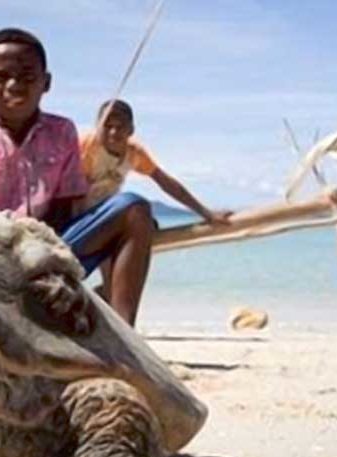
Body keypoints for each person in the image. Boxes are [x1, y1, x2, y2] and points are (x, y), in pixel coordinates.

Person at [0, 27, 156, 326]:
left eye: (27, 77)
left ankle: (125, 332)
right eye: (1, 77)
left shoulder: (62, 132)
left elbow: (66, 208)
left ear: (46, 83)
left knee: (135, 209)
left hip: (48, 250)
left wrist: (40, 254)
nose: (15, 86)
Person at [79, 99, 232, 308]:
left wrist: (206, 213)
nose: (113, 132)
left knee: (144, 227)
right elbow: (66, 188)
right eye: (107, 126)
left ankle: (95, 300)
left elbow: (165, 182)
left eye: (120, 126)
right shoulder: (86, 146)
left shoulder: (134, 153)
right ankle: (97, 301)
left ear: (131, 130)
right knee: (112, 281)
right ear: (97, 127)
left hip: (110, 215)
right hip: (82, 219)